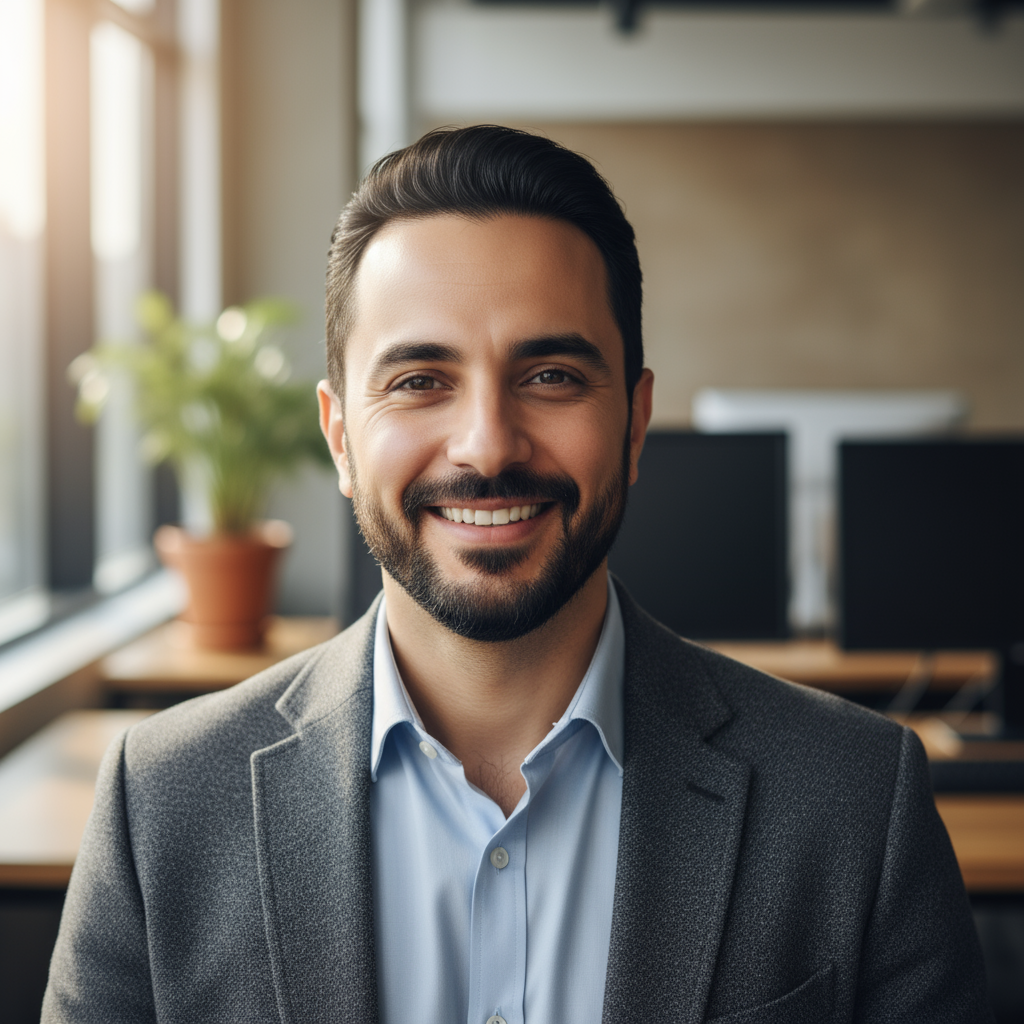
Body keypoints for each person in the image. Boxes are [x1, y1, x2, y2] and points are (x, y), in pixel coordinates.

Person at [43, 126, 991, 1024]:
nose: (487, 444)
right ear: (338, 435)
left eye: (552, 377)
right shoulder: (160, 805)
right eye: (420, 380)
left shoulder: (859, 801)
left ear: (634, 421)